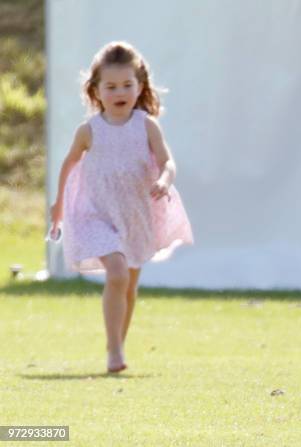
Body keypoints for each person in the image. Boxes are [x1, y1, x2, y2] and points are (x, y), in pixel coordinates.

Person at [50, 41, 194, 373]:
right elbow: (69, 165)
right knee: (116, 272)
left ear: (140, 86)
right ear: (96, 91)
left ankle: (117, 345)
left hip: (135, 214)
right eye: (111, 86)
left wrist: (164, 180)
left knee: (128, 285)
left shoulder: (146, 125)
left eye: (127, 85)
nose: (120, 92)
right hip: (96, 214)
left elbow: (167, 161)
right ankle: (114, 351)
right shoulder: (89, 131)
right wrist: (59, 205)